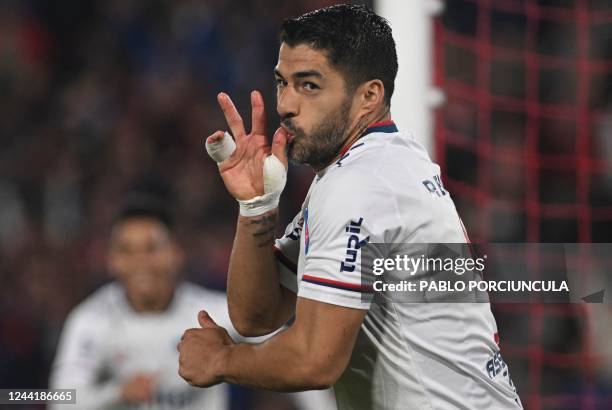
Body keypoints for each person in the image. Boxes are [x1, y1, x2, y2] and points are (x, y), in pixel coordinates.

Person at [178, 4, 522, 410]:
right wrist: (257, 208)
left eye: (308, 86)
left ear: (369, 96)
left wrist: (222, 359)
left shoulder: (362, 184)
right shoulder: (375, 164)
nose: (286, 104)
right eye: (281, 83)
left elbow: (315, 361)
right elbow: (258, 316)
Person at [49, 196, 335, 410]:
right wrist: (118, 392)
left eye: (152, 248)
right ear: (111, 260)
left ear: (175, 253)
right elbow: (59, 398)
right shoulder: (90, 321)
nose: (141, 263)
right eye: (127, 250)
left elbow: (292, 355)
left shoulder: (212, 313)